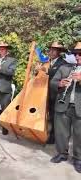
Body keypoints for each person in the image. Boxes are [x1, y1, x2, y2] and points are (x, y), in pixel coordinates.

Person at [49, 42, 81, 173]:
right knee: (61, 132)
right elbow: (52, 82)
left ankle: (78, 159)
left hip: (79, 107)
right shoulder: (65, 67)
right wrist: (60, 83)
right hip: (63, 105)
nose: (78, 56)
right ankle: (62, 153)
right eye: (76, 54)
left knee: (79, 135)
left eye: (80, 54)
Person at [36, 42, 67, 144]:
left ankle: (53, 137)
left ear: (59, 52)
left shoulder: (62, 63)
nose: (51, 51)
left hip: (55, 93)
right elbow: (41, 74)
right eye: (51, 49)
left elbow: (56, 73)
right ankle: (42, 131)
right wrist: (37, 70)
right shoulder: (46, 61)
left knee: (54, 116)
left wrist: (45, 70)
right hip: (44, 92)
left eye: (55, 50)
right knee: (46, 114)